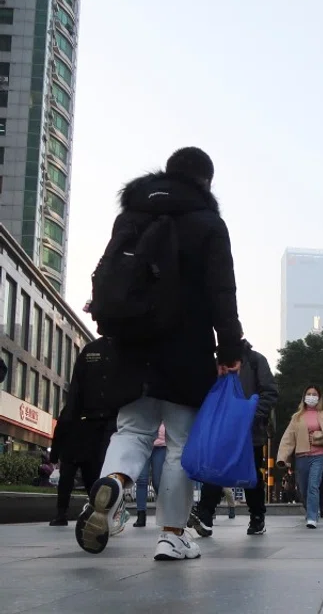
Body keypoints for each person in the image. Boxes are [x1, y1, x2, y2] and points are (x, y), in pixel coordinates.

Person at [75, 147, 244, 561]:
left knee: (131, 431)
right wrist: (230, 347)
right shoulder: (208, 224)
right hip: (186, 346)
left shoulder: (131, 215)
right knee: (180, 445)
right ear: (206, 181)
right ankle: (171, 535)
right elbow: (222, 292)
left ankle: (114, 481)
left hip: (131, 343)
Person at [191, 340, 278, 536]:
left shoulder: (256, 361)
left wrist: (253, 415)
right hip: (222, 429)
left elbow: (270, 391)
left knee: (251, 473)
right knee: (214, 469)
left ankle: (257, 517)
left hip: (250, 429)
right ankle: (205, 514)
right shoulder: (216, 364)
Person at [49, 337, 122, 527]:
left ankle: (104, 512)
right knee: (83, 478)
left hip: (110, 420)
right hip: (83, 435)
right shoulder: (90, 351)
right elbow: (75, 389)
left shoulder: (125, 347)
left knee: (97, 473)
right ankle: (72, 512)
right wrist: (55, 453)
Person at [276, 386, 323, 529]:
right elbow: (288, 438)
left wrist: (320, 437)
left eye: (314, 394)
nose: (311, 396)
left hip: (319, 456)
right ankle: (311, 509)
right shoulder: (297, 417)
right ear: (304, 397)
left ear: (319, 397)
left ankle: (312, 517)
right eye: (309, 394)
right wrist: (282, 457)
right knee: (303, 488)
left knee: (313, 486)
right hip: (301, 456)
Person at [133, 424, 166, 528]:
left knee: (158, 482)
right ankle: (141, 515)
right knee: (141, 480)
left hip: (161, 445)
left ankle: (165, 514)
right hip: (143, 443)